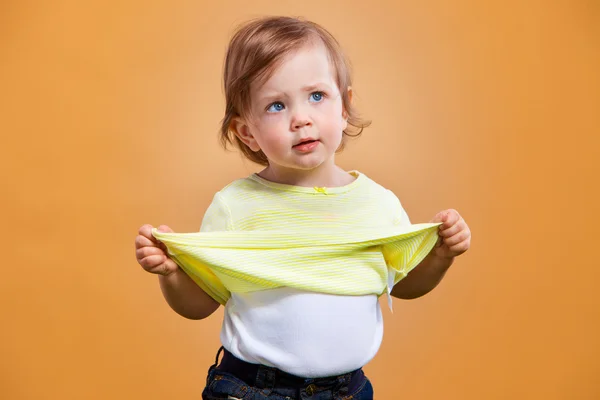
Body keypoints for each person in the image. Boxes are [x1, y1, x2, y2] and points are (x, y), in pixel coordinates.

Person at [134, 16, 471, 400]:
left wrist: (440, 256)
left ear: (344, 107)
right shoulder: (235, 206)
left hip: (347, 391)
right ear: (247, 132)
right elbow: (200, 304)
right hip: (252, 390)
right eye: (276, 105)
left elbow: (406, 283)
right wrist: (171, 273)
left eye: (316, 96)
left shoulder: (376, 204)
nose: (301, 119)